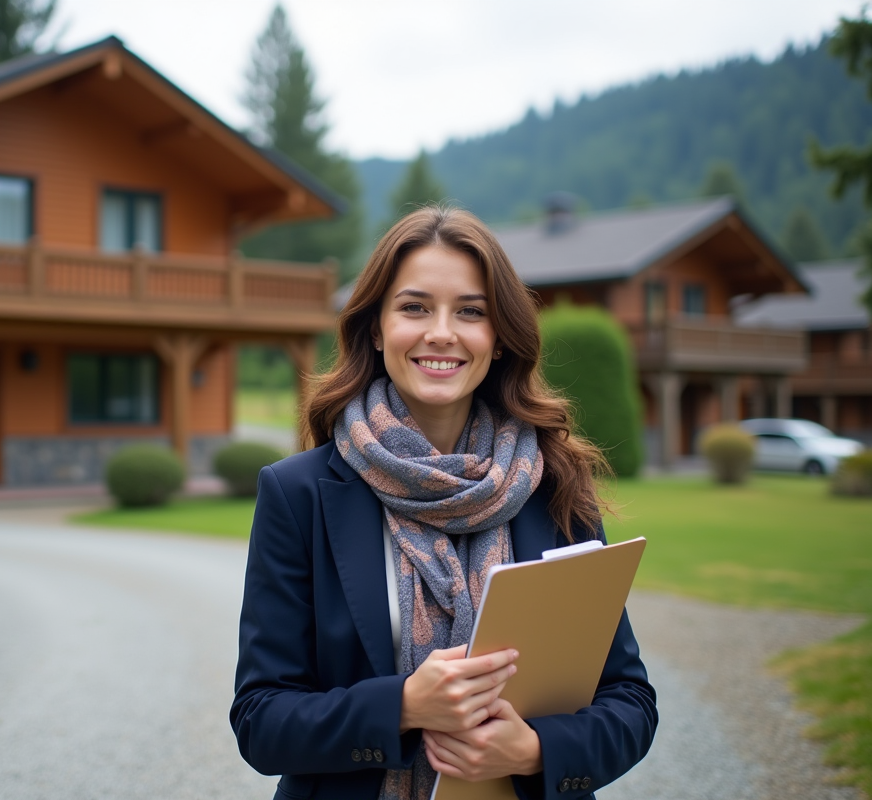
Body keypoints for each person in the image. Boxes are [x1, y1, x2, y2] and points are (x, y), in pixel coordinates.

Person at [230, 206, 657, 800]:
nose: (441, 332)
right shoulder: (298, 495)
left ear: (500, 338)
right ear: (376, 330)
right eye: (414, 307)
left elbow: (630, 702)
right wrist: (403, 706)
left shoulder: (554, 484)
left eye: (470, 311)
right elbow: (260, 719)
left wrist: (535, 751)